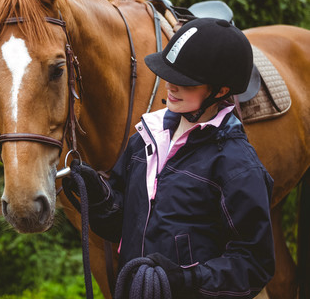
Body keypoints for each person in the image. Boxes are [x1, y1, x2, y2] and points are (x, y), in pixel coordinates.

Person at [64, 18, 275, 298]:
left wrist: (184, 279)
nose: (170, 85)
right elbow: (122, 225)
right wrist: (101, 198)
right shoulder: (144, 139)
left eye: (185, 82)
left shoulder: (237, 165)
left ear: (221, 91)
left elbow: (254, 264)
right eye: (169, 75)